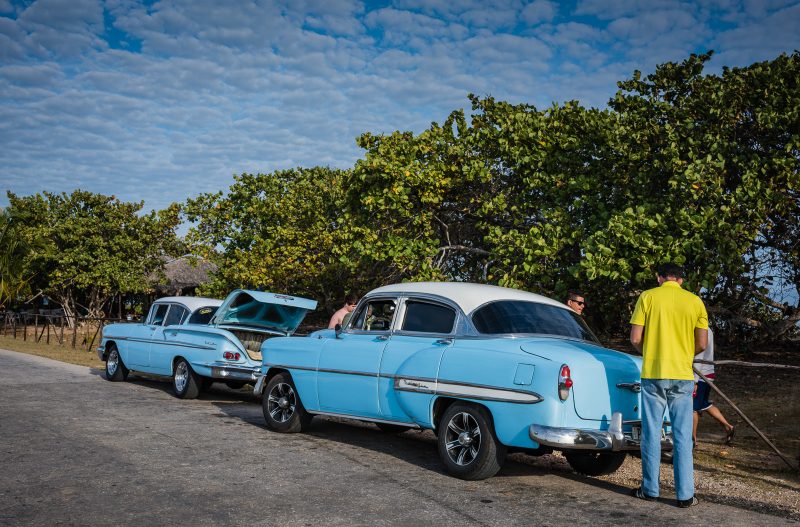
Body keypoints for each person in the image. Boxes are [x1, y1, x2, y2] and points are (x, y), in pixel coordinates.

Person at [629, 263, 708, 508]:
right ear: (681, 280)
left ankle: (650, 489)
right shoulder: (695, 301)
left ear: (659, 277)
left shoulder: (648, 297)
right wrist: (684, 354)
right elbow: (702, 344)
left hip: (653, 372)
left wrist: (651, 352)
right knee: (683, 434)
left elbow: (635, 338)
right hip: (683, 374)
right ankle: (685, 495)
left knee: (652, 431)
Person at [693, 329, 735, 446]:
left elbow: (700, 354)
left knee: (693, 407)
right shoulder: (708, 329)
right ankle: (728, 426)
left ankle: (692, 439)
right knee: (704, 404)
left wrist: (695, 380)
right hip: (707, 372)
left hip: (701, 374)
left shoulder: (701, 329)